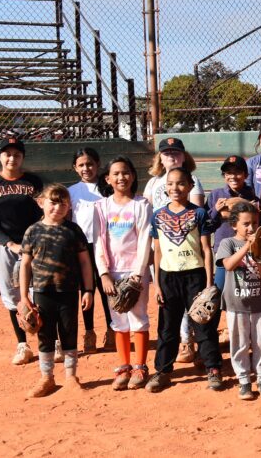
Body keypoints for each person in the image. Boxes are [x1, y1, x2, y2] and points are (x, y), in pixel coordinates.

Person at [145, 167, 222, 393]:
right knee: (167, 327)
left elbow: (207, 250)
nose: (175, 188)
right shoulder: (158, 216)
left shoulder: (199, 214)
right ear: (165, 187)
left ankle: (213, 368)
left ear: (190, 186)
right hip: (168, 277)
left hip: (195, 275)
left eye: (180, 183)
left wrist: (209, 283)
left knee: (203, 324)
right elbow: (157, 253)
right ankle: (163, 370)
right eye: (170, 184)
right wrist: (157, 284)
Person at [18, 184, 94, 397]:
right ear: (41, 202)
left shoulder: (73, 230)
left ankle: (71, 377)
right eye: (53, 202)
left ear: (69, 205)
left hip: (69, 291)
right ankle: (47, 377)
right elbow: (25, 264)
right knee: (45, 334)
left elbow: (85, 262)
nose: (57, 207)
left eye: (63, 203)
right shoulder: (33, 231)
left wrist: (88, 289)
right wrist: (24, 296)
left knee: (69, 333)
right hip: (42, 292)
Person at [0, 137, 44, 365]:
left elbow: (42, 215)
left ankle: (48, 341)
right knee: (11, 295)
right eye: (7, 154)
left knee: (39, 291)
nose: (12, 158)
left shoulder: (34, 181)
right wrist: (9, 243)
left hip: (32, 245)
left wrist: (33, 241)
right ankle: (22, 344)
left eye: (17, 154)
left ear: (22, 158)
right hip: (2, 246)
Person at [142, 137, 206, 364]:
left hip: (186, 244)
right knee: (169, 301)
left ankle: (188, 340)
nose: (171, 156)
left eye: (176, 152)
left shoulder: (192, 180)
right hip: (161, 244)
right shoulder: (153, 183)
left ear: (183, 156)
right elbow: (147, 212)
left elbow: (197, 212)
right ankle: (179, 339)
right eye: (166, 153)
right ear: (159, 157)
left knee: (192, 300)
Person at [93, 156, 152, 390]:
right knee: (118, 319)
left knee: (138, 318)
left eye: (126, 172)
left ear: (133, 176)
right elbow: (98, 242)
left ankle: (140, 366)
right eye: (116, 173)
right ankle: (123, 366)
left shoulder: (141, 204)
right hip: (112, 272)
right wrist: (104, 273)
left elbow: (145, 238)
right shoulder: (100, 206)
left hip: (135, 272)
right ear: (107, 179)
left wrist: (138, 273)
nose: (121, 177)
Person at [215, 201, 261, 400]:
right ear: (234, 225)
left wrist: (258, 253)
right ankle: (244, 381)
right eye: (246, 224)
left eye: (255, 223)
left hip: (258, 302)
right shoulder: (228, 243)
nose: (251, 228)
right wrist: (248, 246)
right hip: (236, 303)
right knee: (239, 344)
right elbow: (229, 265)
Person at [67, 147, 113, 353]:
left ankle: (113, 331)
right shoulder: (71, 191)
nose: (86, 168)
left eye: (90, 164)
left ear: (98, 164)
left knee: (107, 289)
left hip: (106, 245)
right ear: (75, 168)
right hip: (81, 247)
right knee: (87, 290)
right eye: (81, 165)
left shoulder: (108, 187)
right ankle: (89, 333)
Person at [207, 155, 261, 293]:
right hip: (223, 249)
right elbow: (207, 226)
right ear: (224, 175)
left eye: (238, 172)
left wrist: (255, 209)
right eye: (229, 173)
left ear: (246, 174)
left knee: (244, 290)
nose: (233, 176)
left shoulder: (253, 198)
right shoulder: (216, 195)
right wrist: (215, 211)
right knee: (217, 294)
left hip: (246, 250)